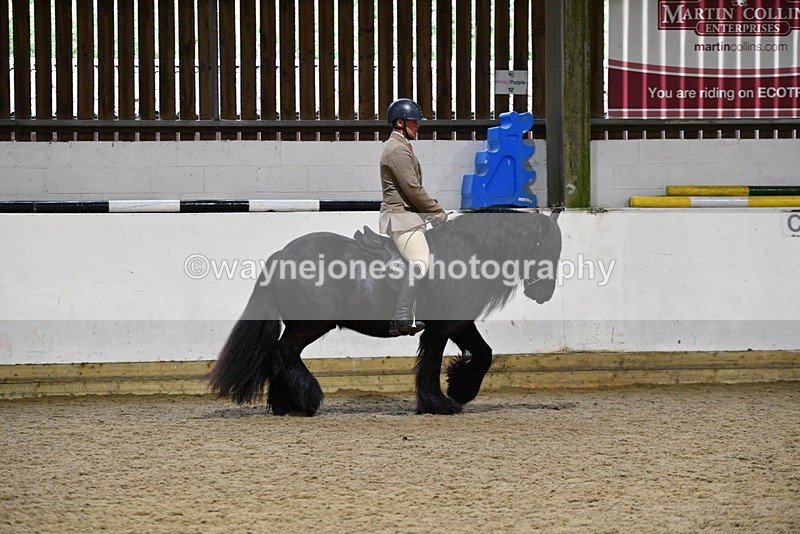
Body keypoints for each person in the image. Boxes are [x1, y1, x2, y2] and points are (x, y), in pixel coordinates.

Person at [379, 98, 447, 336]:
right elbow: (412, 189)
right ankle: (402, 317)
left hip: (409, 217)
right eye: (414, 122)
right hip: (401, 218)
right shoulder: (396, 149)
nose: (418, 126)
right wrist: (437, 213)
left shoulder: (402, 147)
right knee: (421, 261)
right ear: (400, 123)